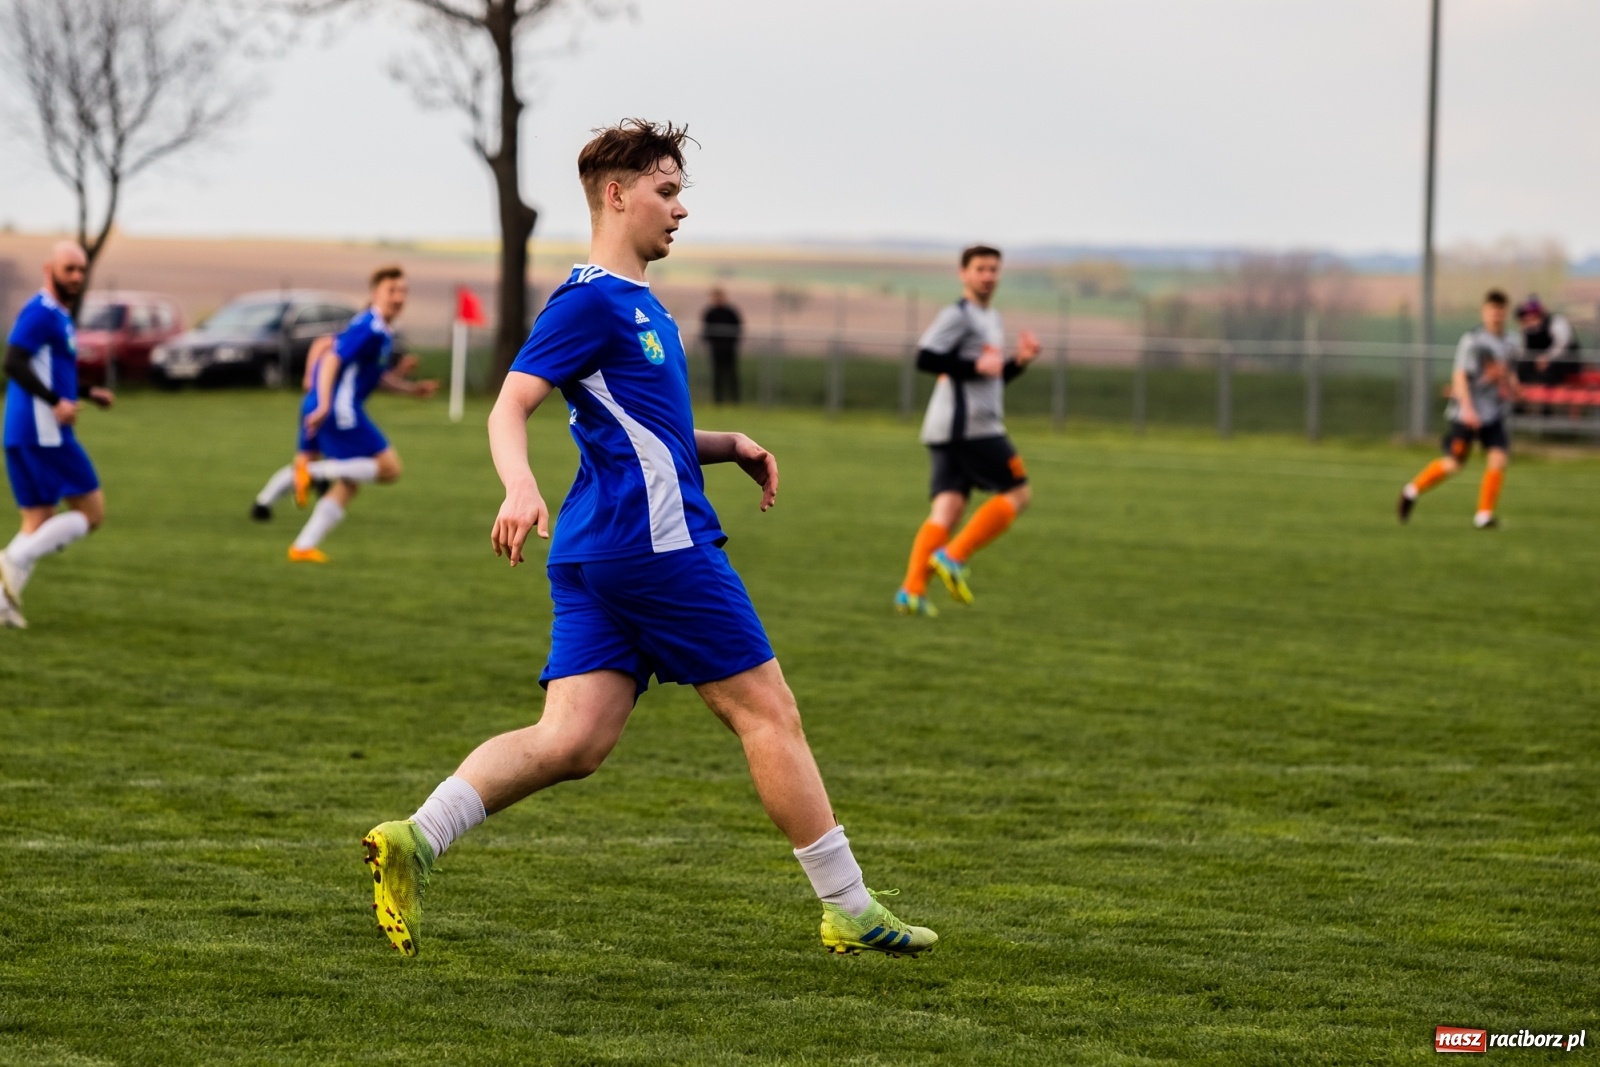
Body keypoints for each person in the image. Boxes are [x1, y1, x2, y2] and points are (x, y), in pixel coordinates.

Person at [361, 119, 936, 961]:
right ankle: (848, 905)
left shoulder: (641, 304)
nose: (680, 209)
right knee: (768, 711)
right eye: (666, 191)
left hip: (600, 549)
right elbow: (510, 403)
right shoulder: (590, 302)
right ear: (617, 195)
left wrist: (724, 443)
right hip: (658, 545)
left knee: (572, 740)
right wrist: (519, 483)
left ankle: (416, 837)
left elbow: (640, 427)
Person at [894, 246, 1041, 617]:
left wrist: (1018, 362)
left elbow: (989, 378)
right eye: (980, 269)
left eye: (994, 269)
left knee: (948, 509)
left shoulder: (990, 317)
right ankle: (953, 556)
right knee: (1018, 492)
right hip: (971, 426)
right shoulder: (958, 315)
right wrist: (974, 365)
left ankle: (911, 591)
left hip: (950, 427)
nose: (988, 276)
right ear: (963, 274)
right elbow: (925, 356)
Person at [278, 266, 435, 562]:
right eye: (392, 290)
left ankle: (303, 547)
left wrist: (410, 389)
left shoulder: (382, 330)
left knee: (349, 483)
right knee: (390, 469)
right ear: (375, 293)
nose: (399, 297)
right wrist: (325, 404)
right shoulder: (369, 327)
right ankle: (311, 472)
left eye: (403, 291)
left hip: (344, 408)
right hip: (342, 410)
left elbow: (376, 377)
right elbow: (331, 359)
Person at [0, 242, 114, 629]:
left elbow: (49, 371)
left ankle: (0, 605)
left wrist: (87, 392)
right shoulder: (41, 312)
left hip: (25, 431)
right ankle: (12, 559)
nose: (77, 277)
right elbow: (13, 361)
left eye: (82, 270)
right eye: (70, 269)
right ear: (50, 269)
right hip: (42, 431)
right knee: (92, 513)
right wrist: (54, 403)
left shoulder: (59, 315)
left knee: (38, 520)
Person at [249, 328, 434, 522]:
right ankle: (318, 480)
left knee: (306, 457)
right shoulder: (358, 337)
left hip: (313, 403)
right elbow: (323, 343)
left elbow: (375, 379)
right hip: (331, 408)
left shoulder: (368, 349)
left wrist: (407, 381)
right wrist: (309, 375)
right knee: (348, 472)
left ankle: (263, 504)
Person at [1398, 289, 1520, 529]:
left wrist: (1512, 385)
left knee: (1498, 458)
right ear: (1484, 312)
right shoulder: (1473, 340)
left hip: (1493, 412)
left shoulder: (1512, 342)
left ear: (1505, 312)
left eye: (1500, 311)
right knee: (1453, 464)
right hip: (1467, 413)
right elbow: (1460, 376)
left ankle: (1484, 515)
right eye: (1492, 311)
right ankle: (1411, 491)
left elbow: (1510, 376)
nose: (1496, 315)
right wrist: (1468, 409)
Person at [1513, 296, 1581, 386]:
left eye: (1533, 315)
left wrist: (1548, 358)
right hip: (1538, 361)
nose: (1530, 319)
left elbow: (1562, 343)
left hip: (1560, 359)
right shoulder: (1527, 330)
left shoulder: (1556, 322)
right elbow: (1523, 350)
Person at [701, 286, 743, 404]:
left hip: (729, 348)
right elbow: (706, 330)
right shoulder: (710, 313)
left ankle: (734, 399)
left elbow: (738, 327)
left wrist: (732, 342)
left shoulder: (730, 312)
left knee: (731, 374)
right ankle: (718, 400)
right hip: (716, 348)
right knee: (717, 374)